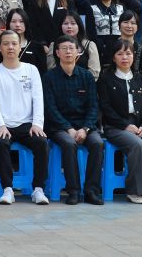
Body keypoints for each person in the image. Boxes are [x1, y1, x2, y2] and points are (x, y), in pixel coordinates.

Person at [0, 30, 48, 205]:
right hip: (4, 124)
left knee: (41, 142)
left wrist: (37, 124)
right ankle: (8, 189)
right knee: (1, 143)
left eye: (14, 43)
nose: (10, 47)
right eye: (6, 44)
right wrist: (0, 125)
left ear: (20, 46)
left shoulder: (31, 70)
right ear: (0, 48)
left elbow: (38, 99)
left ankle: (38, 189)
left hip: (27, 124)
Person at [97, 41, 142, 204]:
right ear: (113, 58)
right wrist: (125, 125)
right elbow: (105, 107)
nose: (124, 57)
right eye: (120, 54)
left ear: (133, 56)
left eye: (128, 54)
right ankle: (134, 191)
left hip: (139, 125)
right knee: (137, 145)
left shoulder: (141, 79)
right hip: (115, 126)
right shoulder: (106, 79)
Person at [44, 37, 103, 205]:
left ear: (78, 52)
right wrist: (68, 128)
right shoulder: (49, 77)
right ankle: (73, 191)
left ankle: (91, 191)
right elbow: (50, 108)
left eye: (71, 48)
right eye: (64, 48)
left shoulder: (86, 76)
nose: (68, 51)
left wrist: (85, 128)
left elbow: (93, 106)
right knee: (69, 144)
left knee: (97, 143)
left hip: (85, 126)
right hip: (59, 127)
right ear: (57, 53)